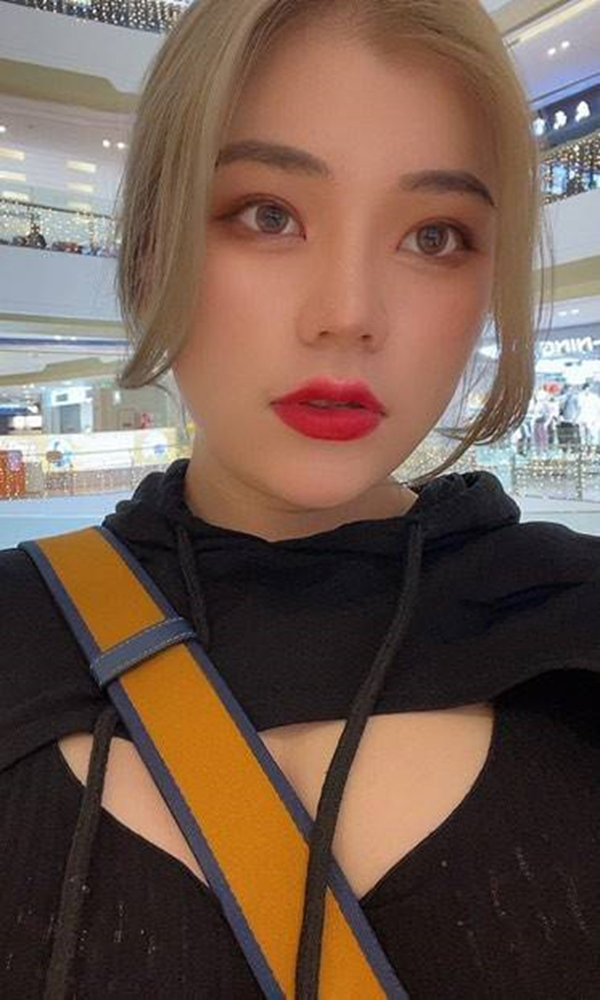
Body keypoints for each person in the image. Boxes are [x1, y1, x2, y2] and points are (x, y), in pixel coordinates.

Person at [1, 1, 600, 998]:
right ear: (150, 244)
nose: (348, 314)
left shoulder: (572, 622)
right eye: (268, 215)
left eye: (435, 235)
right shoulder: (19, 634)